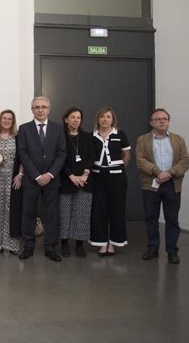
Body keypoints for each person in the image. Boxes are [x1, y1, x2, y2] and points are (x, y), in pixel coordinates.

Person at [136, 108, 189, 264]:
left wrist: (170, 173)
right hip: (151, 185)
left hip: (172, 184)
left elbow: (185, 160)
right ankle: (152, 249)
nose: (161, 121)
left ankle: (172, 251)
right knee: (151, 218)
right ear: (151, 122)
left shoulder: (178, 140)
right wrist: (158, 172)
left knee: (172, 219)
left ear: (168, 121)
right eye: (158, 119)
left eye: (165, 119)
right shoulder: (142, 140)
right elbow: (141, 161)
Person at [17, 96, 66, 262]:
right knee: (28, 213)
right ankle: (28, 246)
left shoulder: (58, 129)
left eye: (44, 107)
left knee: (51, 214)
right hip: (31, 180)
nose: (40, 109)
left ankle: (50, 247)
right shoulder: (24, 129)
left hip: (52, 180)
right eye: (37, 107)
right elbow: (23, 153)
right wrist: (36, 175)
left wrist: (50, 174)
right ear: (32, 109)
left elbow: (61, 154)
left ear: (49, 109)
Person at [89, 106, 131, 256]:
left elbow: (126, 154)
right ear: (97, 119)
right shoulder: (92, 136)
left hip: (117, 177)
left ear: (113, 119)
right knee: (99, 210)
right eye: (102, 117)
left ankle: (113, 243)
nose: (105, 119)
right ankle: (101, 243)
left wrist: (119, 167)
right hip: (98, 175)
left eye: (108, 117)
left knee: (117, 210)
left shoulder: (120, 134)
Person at [58, 107, 94, 258]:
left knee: (82, 214)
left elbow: (92, 156)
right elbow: (59, 157)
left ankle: (79, 244)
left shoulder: (87, 137)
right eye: (72, 117)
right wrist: (71, 175)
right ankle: (64, 243)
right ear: (66, 119)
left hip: (85, 182)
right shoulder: (60, 137)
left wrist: (85, 174)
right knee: (64, 214)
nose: (75, 120)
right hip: (66, 181)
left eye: (78, 117)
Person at [0, 109, 21, 255]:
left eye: (10, 119)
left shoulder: (17, 137)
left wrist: (20, 175)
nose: (7, 121)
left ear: (13, 121)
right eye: (4, 118)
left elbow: (22, 158)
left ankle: (11, 245)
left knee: (12, 210)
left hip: (13, 178)